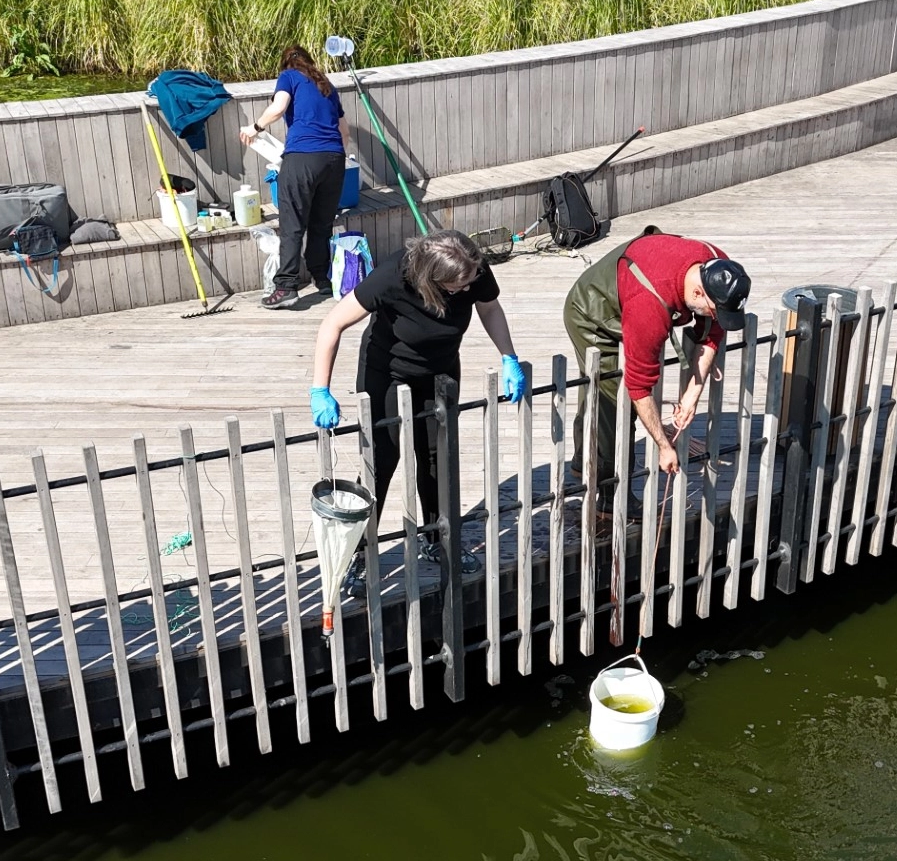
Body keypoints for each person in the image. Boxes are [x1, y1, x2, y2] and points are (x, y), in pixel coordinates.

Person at [310, 229, 526, 578]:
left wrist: (508, 357)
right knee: (381, 461)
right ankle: (361, 554)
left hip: (441, 372)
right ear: (434, 282)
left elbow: (489, 307)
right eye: (461, 286)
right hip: (388, 372)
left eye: (472, 280)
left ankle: (435, 540)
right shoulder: (392, 277)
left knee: (436, 458)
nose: (470, 288)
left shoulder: (472, 268)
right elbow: (332, 324)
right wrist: (320, 388)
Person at [563, 228, 751, 506]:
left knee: (602, 394)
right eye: (715, 311)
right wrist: (664, 446)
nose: (716, 317)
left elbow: (712, 334)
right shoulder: (649, 307)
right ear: (698, 291)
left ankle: (584, 461)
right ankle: (611, 495)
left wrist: (691, 395)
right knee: (613, 403)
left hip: (635, 290)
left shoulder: (717, 264)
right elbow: (639, 387)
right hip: (592, 311)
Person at [240, 46, 348, 308]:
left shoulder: (288, 76)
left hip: (302, 158)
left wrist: (254, 128)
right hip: (334, 160)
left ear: (286, 63)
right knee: (322, 224)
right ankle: (322, 279)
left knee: (292, 225)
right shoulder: (326, 85)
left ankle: (286, 287)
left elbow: (278, 108)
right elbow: (344, 131)